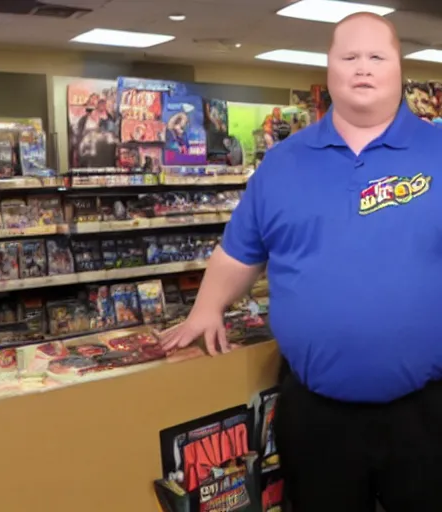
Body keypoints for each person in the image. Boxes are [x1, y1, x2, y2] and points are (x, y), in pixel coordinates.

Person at [158, 12, 442, 512]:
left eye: (377, 56)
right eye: (349, 56)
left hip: (427, 412)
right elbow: (238, 251)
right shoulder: (284, 163)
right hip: (316, 417)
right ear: (329, 68)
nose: (363, 68)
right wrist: (206, 308)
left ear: (401, 67)